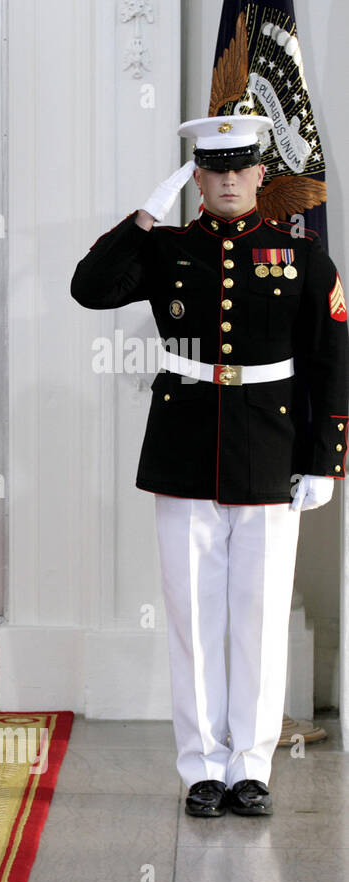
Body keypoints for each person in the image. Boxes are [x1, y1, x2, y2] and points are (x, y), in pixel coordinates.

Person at [71, 116, 349, 818]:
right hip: (185, 448)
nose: (227, 179)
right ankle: (201, 767)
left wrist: (326, 461)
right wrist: (142, 217)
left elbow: (332, 360)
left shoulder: (300, 253)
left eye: (240, 166)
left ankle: (251, 765)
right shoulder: (166, 248)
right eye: (213, 168)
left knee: (258, 616)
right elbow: (90, 288)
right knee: (192, 617)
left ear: (262, 174)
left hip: (270, 448)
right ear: (196, 177)